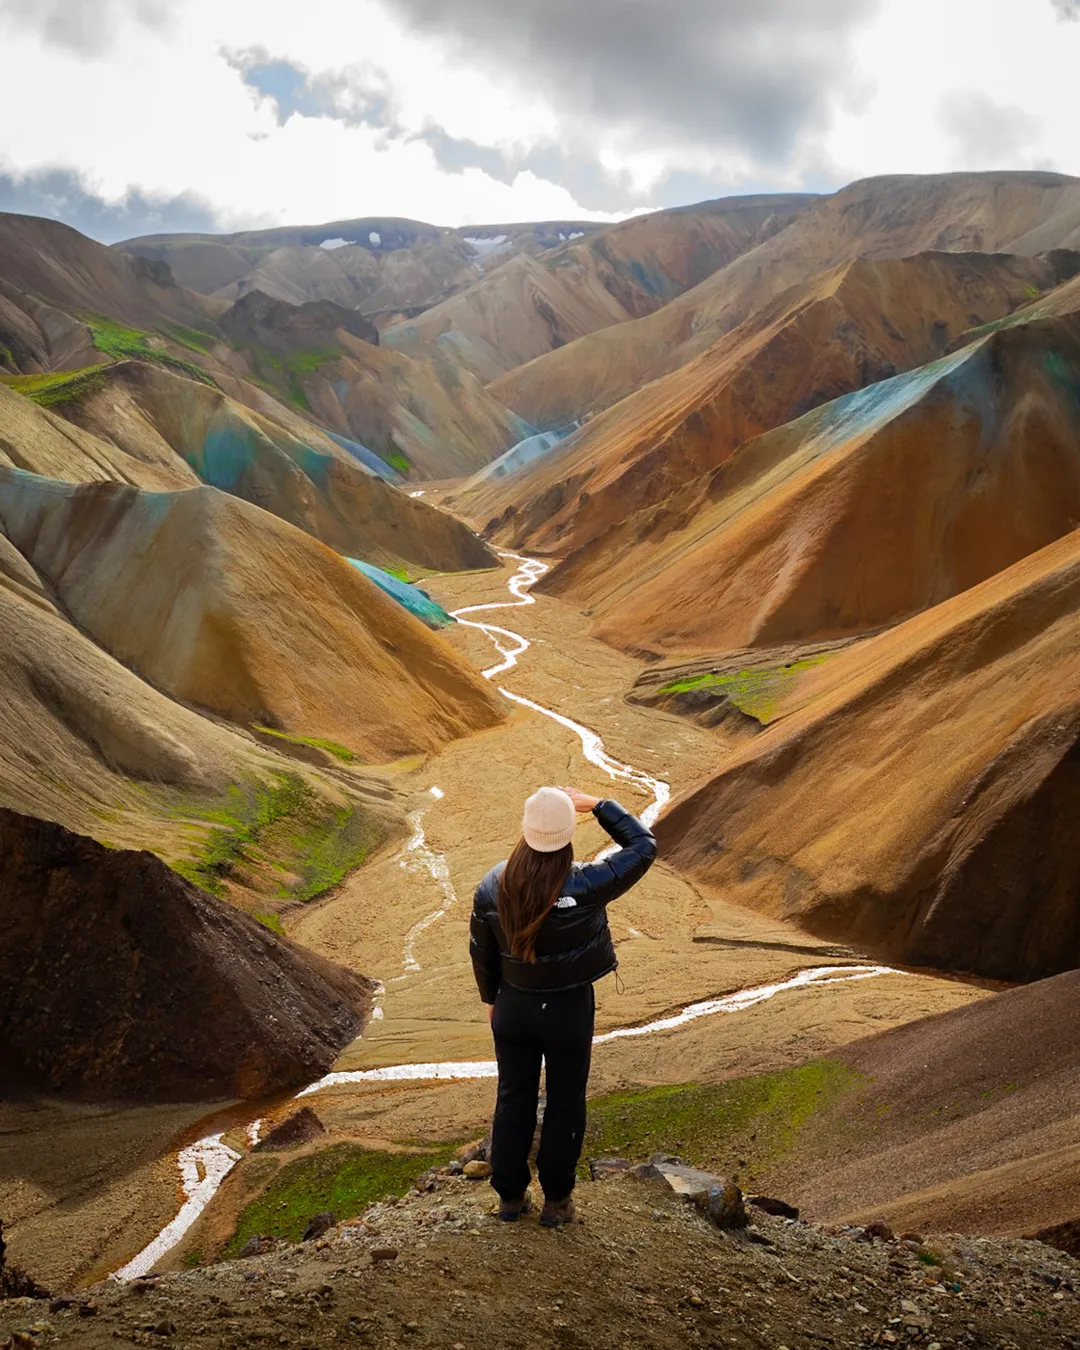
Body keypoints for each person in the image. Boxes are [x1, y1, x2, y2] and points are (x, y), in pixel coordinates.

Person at [469, 784, 657, 1227]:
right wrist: (599, 806)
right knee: (565, 1102)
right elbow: (644, 845)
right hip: (569, 1008)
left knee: (513, 1098)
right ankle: (557, 1202)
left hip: (514, 1006)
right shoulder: (589, 883)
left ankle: (510, 1199)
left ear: (525, 831)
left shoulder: (492, 884)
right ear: (568, 833)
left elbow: (482, 950)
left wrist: (491, 1000)